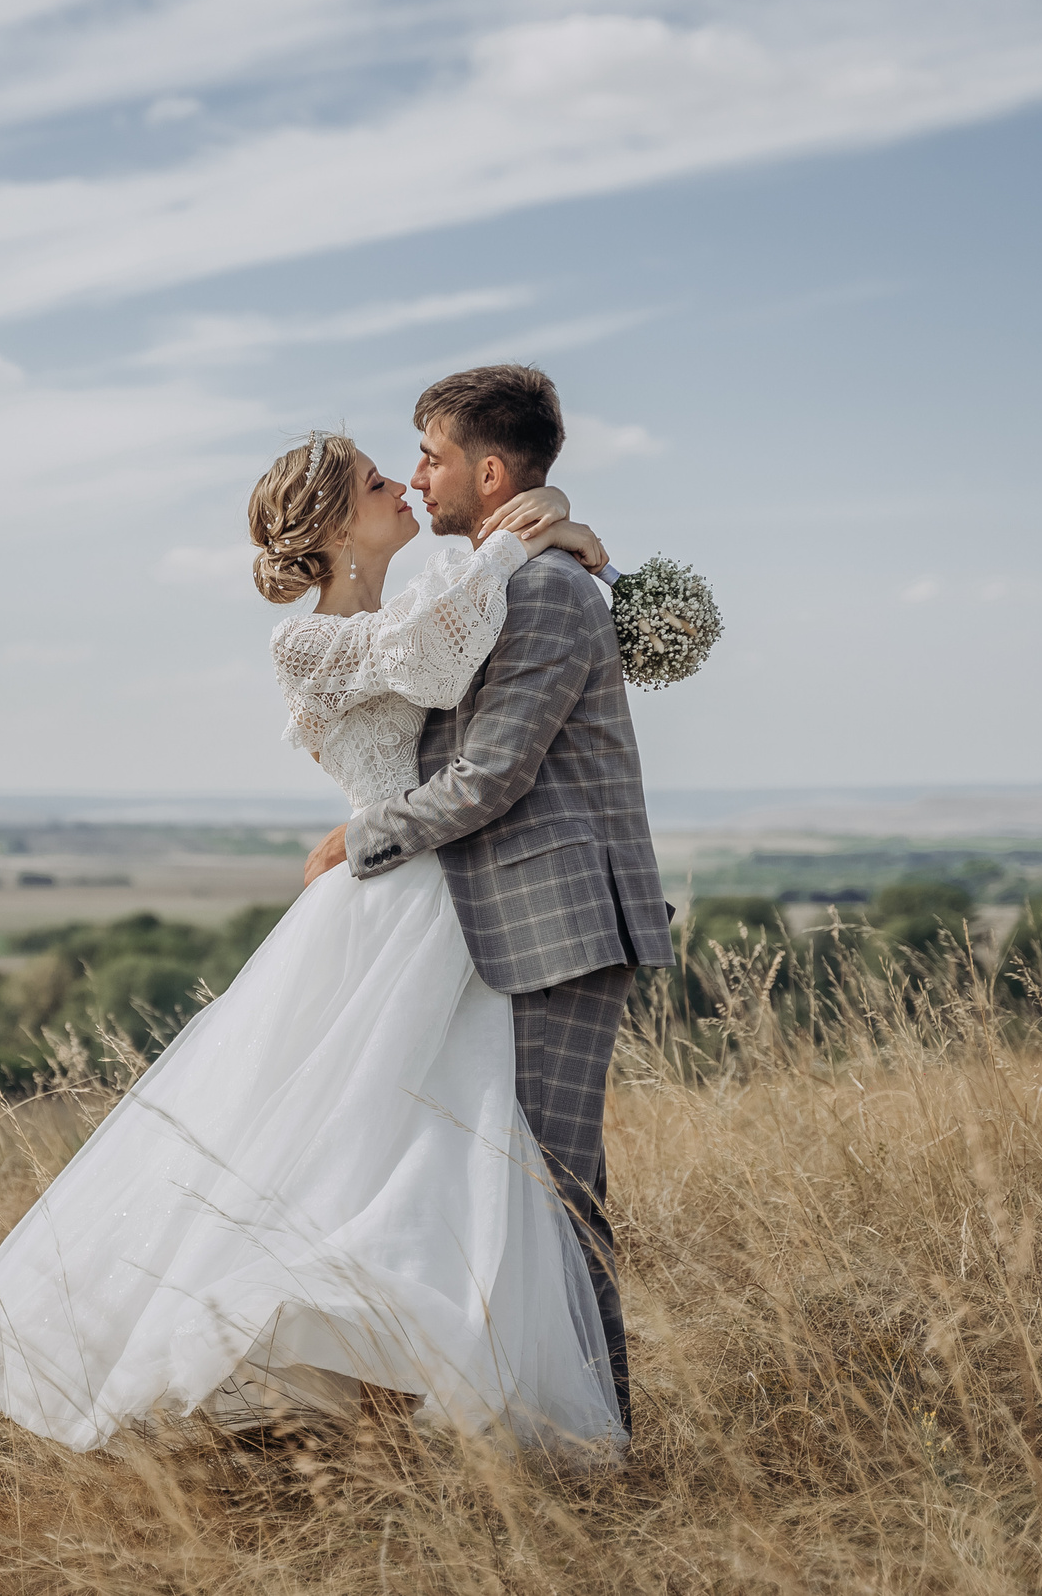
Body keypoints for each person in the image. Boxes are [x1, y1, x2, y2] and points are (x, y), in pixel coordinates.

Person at [0, 423, 629, 1454]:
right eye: (375, 482)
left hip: (448, 902)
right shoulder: (307, 642)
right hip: (388, 906)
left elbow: (463, 638)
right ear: (330, 524)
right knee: (363, 1154)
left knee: (433, 1158)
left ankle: (410, 1408)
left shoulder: (416, 600)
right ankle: (331, 1381)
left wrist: (555, 534)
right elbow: (430, 663)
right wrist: (520, 537)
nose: (402, 486)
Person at [305, 364, 673, 1432]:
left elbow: (493, 773)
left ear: (492, 471)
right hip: (494, 921)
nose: (417, 476)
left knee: (556, 1190)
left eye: (432, 458)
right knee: (489, 1181)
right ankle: (488, 1412)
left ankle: (596, 1435)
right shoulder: (503, 578)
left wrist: (359, 841)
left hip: (558, 924)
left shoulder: (548, 592)